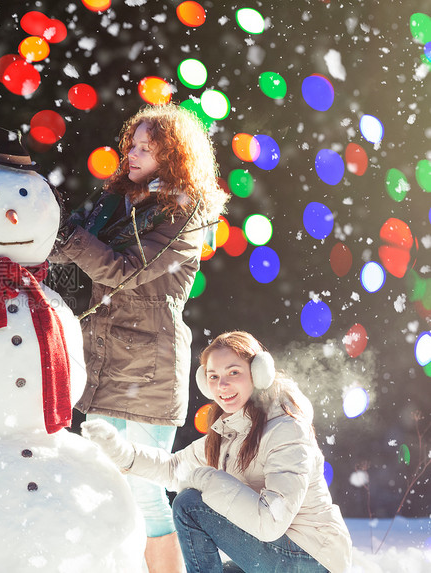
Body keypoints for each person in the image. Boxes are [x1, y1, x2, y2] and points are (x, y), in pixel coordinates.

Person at [52, 104, 227, 571]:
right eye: (132, 143)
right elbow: (79, 269)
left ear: (173, 157)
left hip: (147, 369)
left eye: (147, 148)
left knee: (146, 496)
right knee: (103, 491)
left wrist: (66, 234)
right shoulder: (118, 203)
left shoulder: (185, 214)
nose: (133, 153)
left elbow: (124, 270)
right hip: (105, 364)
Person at [82, 331, 352, 572]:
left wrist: (207, 479)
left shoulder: (286, 429)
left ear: (258, 374)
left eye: (233, 372)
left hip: (313, 560)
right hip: (284, 555)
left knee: (189, 505)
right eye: (214, 377)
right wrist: (119, 451)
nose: (222, 386)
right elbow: (173, 468)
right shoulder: (228, 432)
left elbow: (271, 522)